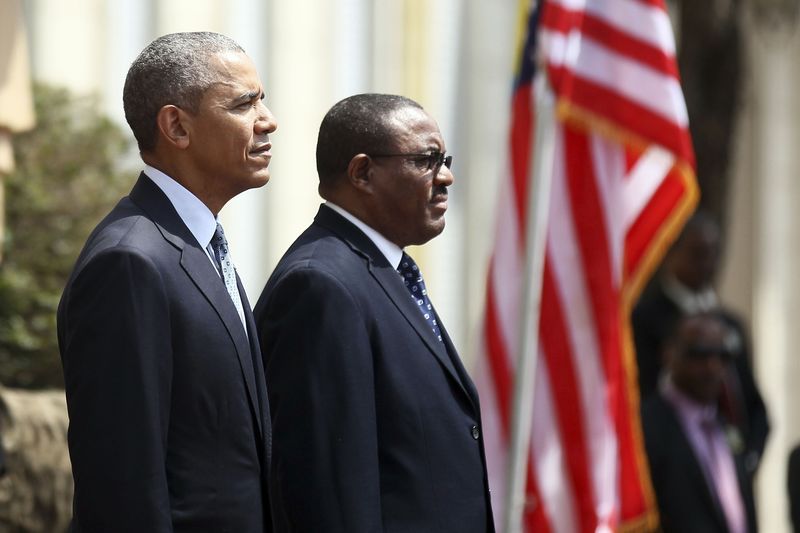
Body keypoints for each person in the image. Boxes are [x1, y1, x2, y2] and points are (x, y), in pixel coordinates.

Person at [57, 32, 277, 532]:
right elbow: (121, 485)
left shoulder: (196, 247)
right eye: (244, 104)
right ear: (176, 125)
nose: (268, 120)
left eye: (261, 99)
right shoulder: (129, 262)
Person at [254, 93, 494, 532]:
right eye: (427, 160)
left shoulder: (385, 271)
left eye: (445, 159)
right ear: (362, 172)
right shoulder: (320, 286)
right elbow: (328, 491)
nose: (447, 177)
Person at [632, 211, 769, 475]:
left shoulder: (730, 324)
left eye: (713, 254)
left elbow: (753, 405)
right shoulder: (646, 319)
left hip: (727, 465)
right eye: (697, 253)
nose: (707, 264)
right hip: (673, 465)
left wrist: (748, 458)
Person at [642, 313, 758, 533]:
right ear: (669, 354)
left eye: (722, 356)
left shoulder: (726, 423)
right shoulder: (646, 427)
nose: (712, 366)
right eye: (699, 354)